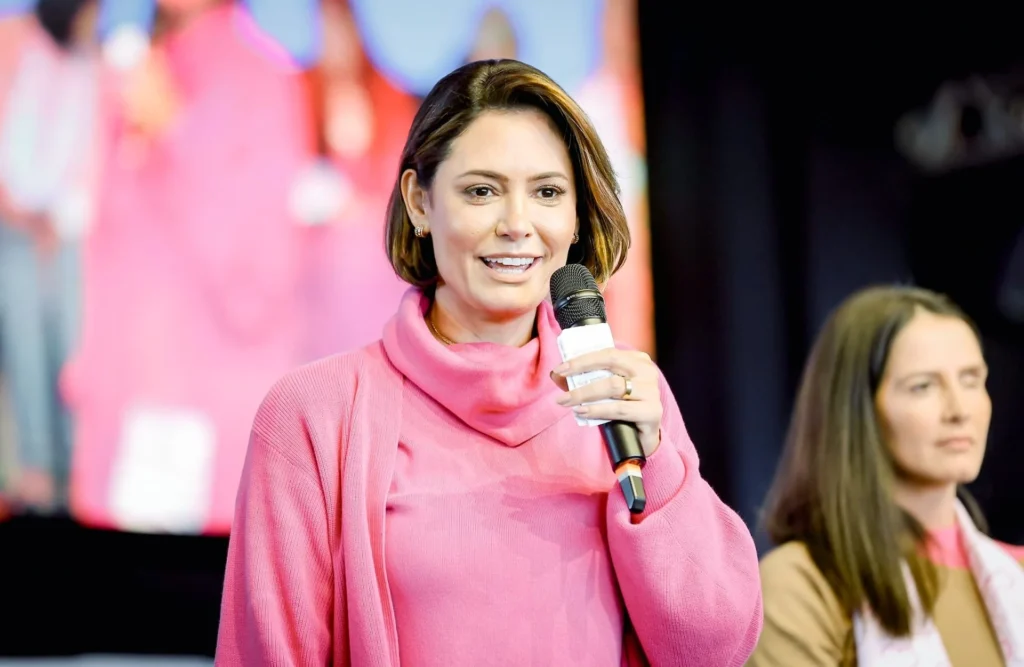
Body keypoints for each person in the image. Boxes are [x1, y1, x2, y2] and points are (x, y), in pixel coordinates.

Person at [214, 58, 762, 666]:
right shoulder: (313, 414)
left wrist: (656, 471)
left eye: (548, 192)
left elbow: (714, 649)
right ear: (419, 203)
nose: (517, 225)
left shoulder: (623, 393)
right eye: (482, 191)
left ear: (577, 214)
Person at [749, 286, 1024, 666]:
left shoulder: (1015, 573)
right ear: (857, 410)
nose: (960, 409)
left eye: (972, 380)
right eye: (923, 386)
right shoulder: (803, 583)